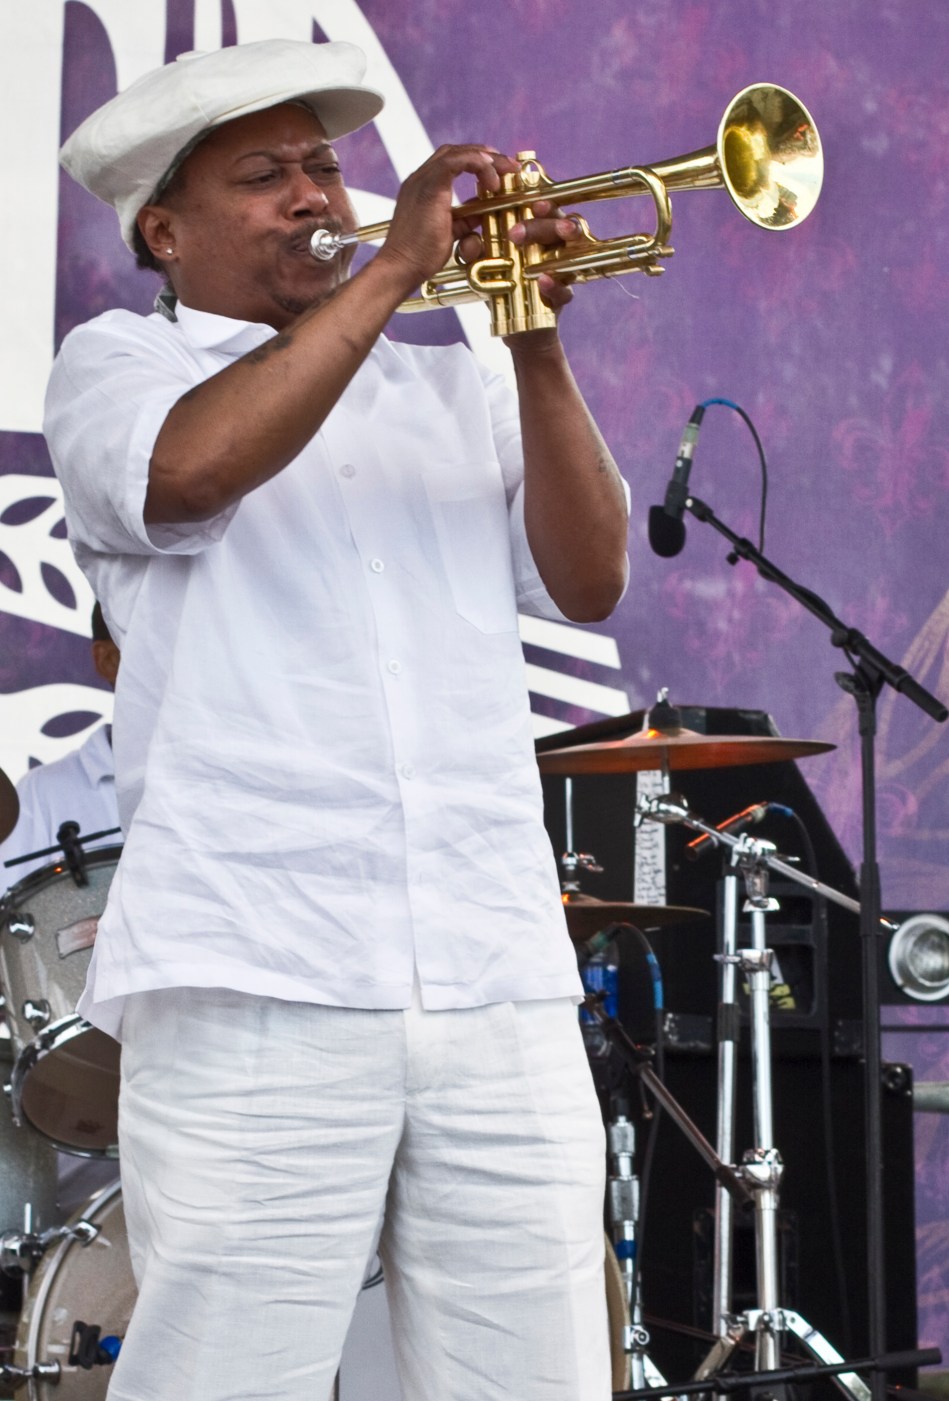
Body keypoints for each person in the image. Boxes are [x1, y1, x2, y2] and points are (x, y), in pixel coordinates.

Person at [45, 38, 630, 1401]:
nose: (315, 193)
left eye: (323, 164)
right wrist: (389, 273)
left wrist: (532, 341)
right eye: (265, 176)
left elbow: (589, 578)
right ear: (164, 229)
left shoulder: (448, 380)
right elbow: (186, 474)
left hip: (493, 966)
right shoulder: (119, 365)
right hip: (258, 968)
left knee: (538, 1377)